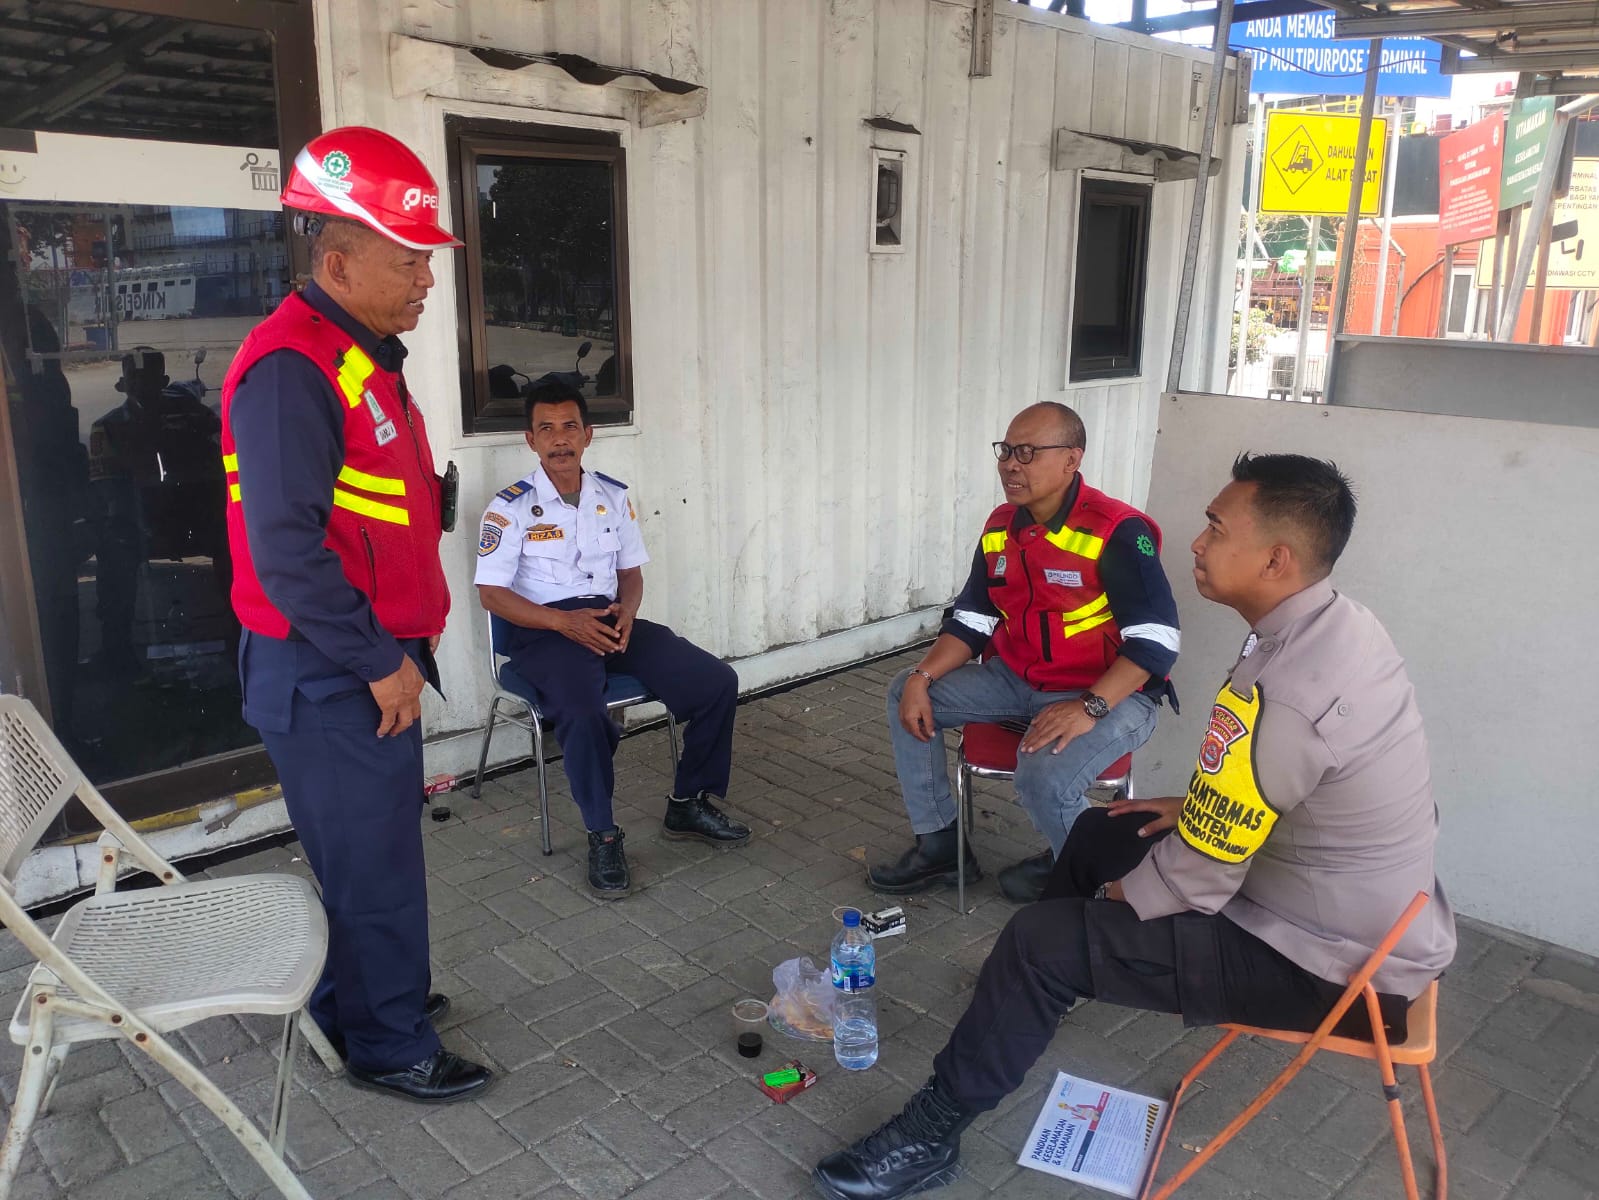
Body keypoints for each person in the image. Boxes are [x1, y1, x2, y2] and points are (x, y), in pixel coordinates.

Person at [812, 453, 1458, 1200]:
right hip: (1330, 898)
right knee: (1097, 834)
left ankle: (929, 1136)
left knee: (1040, 942)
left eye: (1217, 528)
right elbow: (1305, 782)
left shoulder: (1291, 691)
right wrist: (1199, 803)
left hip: (1330, 966)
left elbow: (1199, 877)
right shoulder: (1332, 625)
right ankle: (1024, 1002)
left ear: (1276, 559)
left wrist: (1124, 899)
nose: (1198, 542)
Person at [221, 127, 490, 1103]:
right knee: (372, 865)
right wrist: (380, 660)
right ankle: (389, 1044)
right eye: (408, 259)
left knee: (367, 854)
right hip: (331, 667)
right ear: (336, 265)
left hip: (357, 656)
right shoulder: (291, 368)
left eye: (426, 258)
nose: (427, 279)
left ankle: (369, 1000)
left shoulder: (357, 354)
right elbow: (286, 552)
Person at [868, 402, 1181, 904]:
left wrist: (1088, 707)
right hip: (1018, 679)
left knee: (1043, 774)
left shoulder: (1116, 530)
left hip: (1110, 693)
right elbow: (973, 618)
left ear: (1071, 459)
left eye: (1029, 452)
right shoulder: (1000, 526)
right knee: (904, 693)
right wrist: (921, 678)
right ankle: (941, 845)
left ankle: (1095, 878)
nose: (1012, 465)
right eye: (1007, 451)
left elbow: (1157, 641)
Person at [475, 380, 748, 898]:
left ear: (588, 434)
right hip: (545, 633)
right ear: (531, 440)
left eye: (570, 427)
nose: (560, 439)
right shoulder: (509, 508)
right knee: (582, 712)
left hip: (608, 621)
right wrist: (564, 624)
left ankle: (688, 803)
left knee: (715, 682)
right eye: (546, 429)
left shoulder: (612, 496)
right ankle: (602, 833)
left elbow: (631, 573)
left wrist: (629, 611)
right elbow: (492, 595)